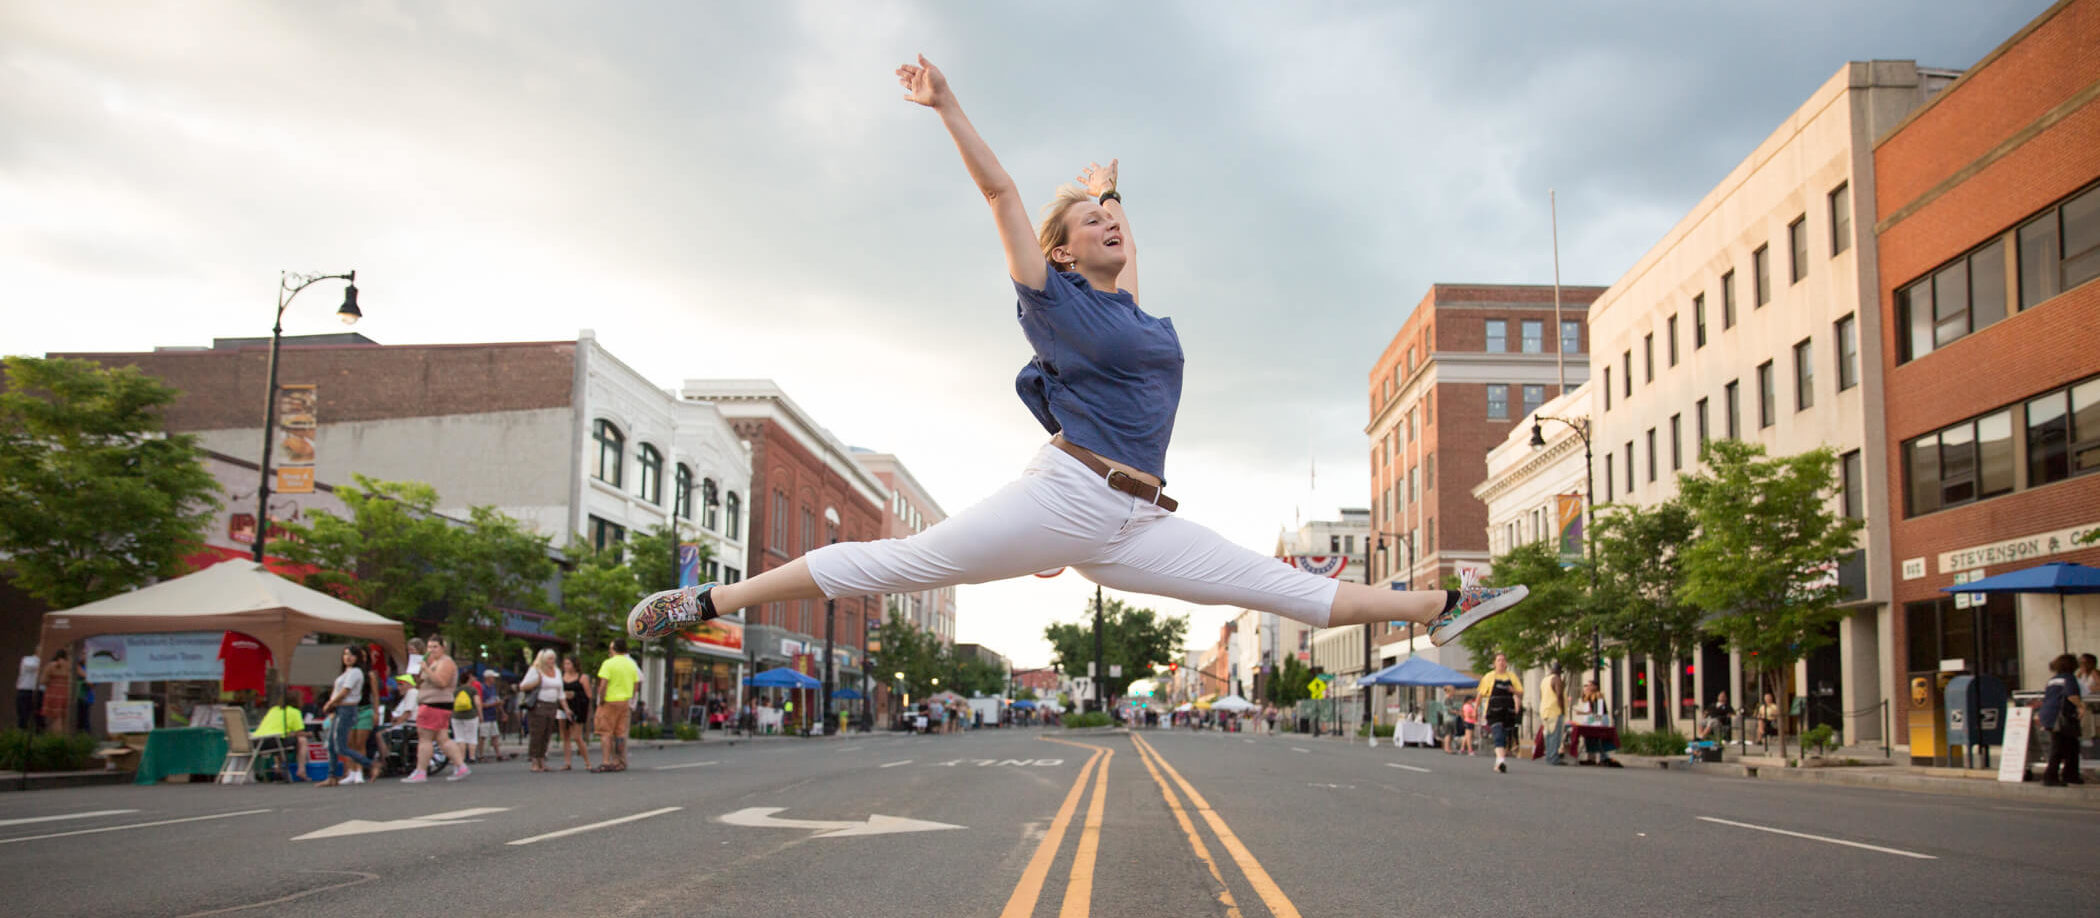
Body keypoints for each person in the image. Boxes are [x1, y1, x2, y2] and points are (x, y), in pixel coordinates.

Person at [624, 55, 1529, 655]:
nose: (1108, 225)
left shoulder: (1132, 313)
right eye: (1090, 221)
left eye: (1114, 219)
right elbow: (1001, 190)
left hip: (1135, 520)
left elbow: (1127, 237)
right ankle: (703, 605)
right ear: (1057, 251)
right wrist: (947, 105)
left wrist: (1109, 187)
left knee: (1274, 587)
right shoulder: (1051, 300)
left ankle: (1436, 607)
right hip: (1068, 494)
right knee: (902, 563)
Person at [402, 636, 470, 783]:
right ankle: (460, 766)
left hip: (434, 704)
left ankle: (421, 770)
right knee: (442, 738)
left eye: (435, 647)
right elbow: (421, 682)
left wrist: (426, 669)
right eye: (429, 647)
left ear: (442, 648)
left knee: (425, 738)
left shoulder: (446, 663)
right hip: (435, 703)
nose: (431, 650)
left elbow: (441, 682)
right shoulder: (435, 663)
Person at [318, 645, 374, 787]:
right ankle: (331, 776)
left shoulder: (356, 672)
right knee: (332, 745)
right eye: (345, 654)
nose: (348, 657)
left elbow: (345, 691)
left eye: (351, 655)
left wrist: (330, 704)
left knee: (341, 746)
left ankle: (370, 764)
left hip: (347, 709)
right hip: (339, 709)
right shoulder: (346, 672)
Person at [594, 640, 642, 773]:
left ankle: (605, 761)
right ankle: (619, 762)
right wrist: (632, 699)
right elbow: (636, 684)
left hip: (610, 700)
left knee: (605, 732)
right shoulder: (631, 664)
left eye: (610, 648)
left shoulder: (609, 663)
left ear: (614, 649)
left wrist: (601, 699)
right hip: (624, 701)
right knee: (620, 733)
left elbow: (604, 684)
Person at [2038, 653, 2084, 787]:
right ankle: (2050, 776)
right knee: (2060, 747)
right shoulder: (2069, 678)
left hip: (2048, 714)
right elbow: (2072, 695)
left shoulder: (2053, 679)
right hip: (2061, 716)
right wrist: (2081, 707)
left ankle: (2071, 774)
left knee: (2071, 745)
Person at [1477, 653, 1523, 773]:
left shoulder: (1512, 677)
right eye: (1498, 660)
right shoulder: (1489, 677)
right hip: (1494, 711)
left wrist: (1513, 691)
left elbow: (1520, 692)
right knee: (1497, 734)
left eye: (1503, 660)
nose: (1501, 662)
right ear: (1494, 663)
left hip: (1508, 711)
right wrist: (1476, 710)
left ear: (1506, 663)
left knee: (1503, 736)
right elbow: (1480, 695)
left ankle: (1498, 763)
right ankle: (1501, 760)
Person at [519, 650, 563, 773]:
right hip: (539, 704)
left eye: (553, 659)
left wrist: (564, 705)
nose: (552, 661)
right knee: (537, 733)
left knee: (547, 733)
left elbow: (560, 690)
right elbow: (522, 686)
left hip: (552, 704)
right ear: (544, 659)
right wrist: (537, 682)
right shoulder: (536, 670)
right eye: (549, 659)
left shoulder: (557, 671)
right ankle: (534, 760)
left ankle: (542, 760)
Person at [1573, 680, 1621, 767]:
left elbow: (1599, 712)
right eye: (1588, 685)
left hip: (1602, 717)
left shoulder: (1598, 695)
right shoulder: (1590, 696)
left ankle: (1604, 757)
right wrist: (1582, 713)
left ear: (1595, 687)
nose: (1589, 687)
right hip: (1595, 717)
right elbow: (1591, 712)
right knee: (1588, 732)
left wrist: (1596, 722)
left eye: (1591, 685)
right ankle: (1591, 757)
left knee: (1600, 737)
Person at [559, 656, 594, 771]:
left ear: (574, 664)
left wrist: (574, 694)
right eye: (565, 664)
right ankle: (567, 762)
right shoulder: (561, 677)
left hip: (577, 708)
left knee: (577, 736)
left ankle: (587, 762)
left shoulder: (582, 677)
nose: (566, 666)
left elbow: (588, 695)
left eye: (568, 664)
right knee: (565, 736)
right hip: (563, 707)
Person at [451, 668, 483, 765]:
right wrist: (480, 715)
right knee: (472, 736)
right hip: (471, 715)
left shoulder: (456, 690)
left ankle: (462, 757)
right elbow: (477, 702)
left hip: (456, 715)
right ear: (469, 678)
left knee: (460, 737)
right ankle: (472, 757)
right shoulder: (473, 690)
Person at [1540, 664, 1568, 766]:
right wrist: (1562, 709)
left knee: (1548, 735)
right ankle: (1553, 757)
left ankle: (1549, 756)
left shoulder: (1544, 680)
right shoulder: (1556, 679)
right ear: (1559, 671)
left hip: (1545, 710)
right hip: (1555, 711)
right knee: (1555, 735)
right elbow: (1559, 694)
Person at [39, 650, 72, 732]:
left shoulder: (51, 666)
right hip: (66, 692)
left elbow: (43, 681)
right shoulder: (70, 666)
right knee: (65, 717)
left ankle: (56, 739)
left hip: (53, 692)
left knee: (55, 717)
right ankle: (64, 737)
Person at [16, 652, 40, 733]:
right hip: (25, 690)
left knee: (39, 717)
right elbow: (30, 667)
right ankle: (21, 735)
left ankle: (38, 736)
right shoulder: (28, 659)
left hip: (39, 691)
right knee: (23, 715)